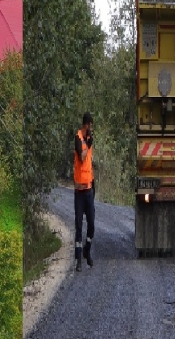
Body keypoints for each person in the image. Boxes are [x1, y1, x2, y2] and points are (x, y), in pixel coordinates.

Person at [74, 112, 95, 272]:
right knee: (79, 225)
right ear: (86, 125)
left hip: (89, 190)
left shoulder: (88, 140)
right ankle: (79, 259)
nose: (91, 129)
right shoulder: (79, 138)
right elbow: (81, 158)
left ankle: (87, 249)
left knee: (92, 225)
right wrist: (87, 144)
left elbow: (89, 162)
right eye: (90, 126)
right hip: (79, 192)